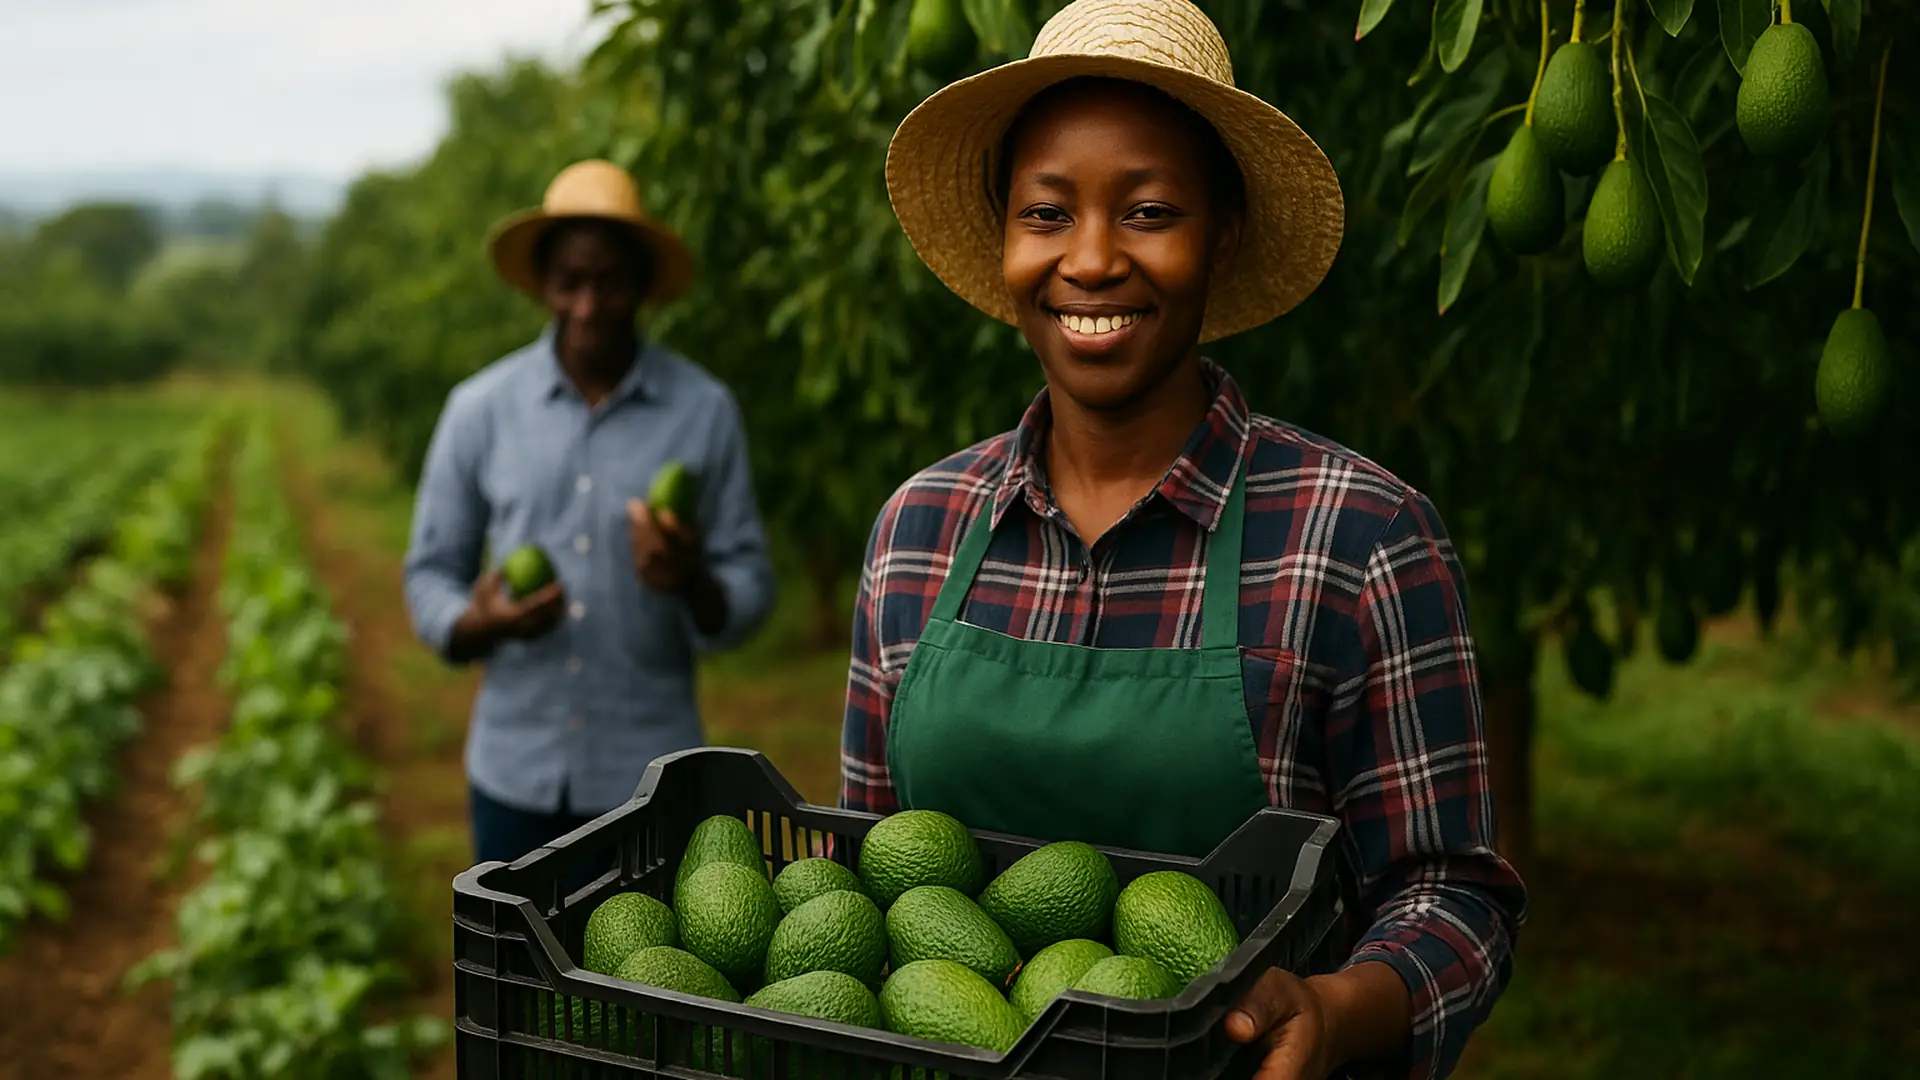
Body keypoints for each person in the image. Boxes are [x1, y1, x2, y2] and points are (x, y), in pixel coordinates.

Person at [841, 2, 1527, 1078]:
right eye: (1048, 213)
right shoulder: (918, 531)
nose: (1094, 259)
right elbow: (866, 873)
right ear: (1007, 240)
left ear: (1225, 232)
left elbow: (1454, 896)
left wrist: (1338, 1009)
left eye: (1151, 211)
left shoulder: (1361, 536)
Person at [405, 159, 777, 876]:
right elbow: (430, 572)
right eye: (569, 282)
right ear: (543, 284)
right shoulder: (480, 410)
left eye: (609, 281)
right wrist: (478, 622)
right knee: (512, 975)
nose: (588, 304)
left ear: (641, 285)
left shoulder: (702, 411)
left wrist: (690, 579)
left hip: (649, 776)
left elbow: (751, 586)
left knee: (641, 981)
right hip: (515, 768)